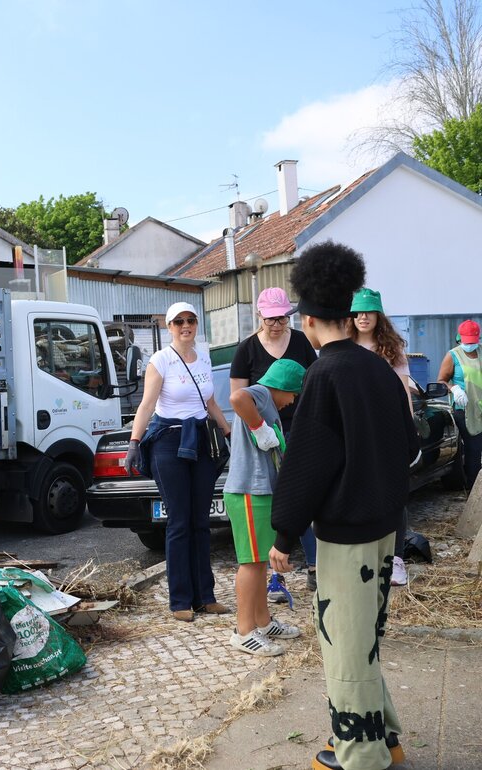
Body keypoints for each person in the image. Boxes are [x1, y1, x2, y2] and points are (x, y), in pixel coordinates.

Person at [268, 241, 418, 770]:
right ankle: (387, 738)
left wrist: (283, 535)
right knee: (365, 640)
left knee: (345, 646)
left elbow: (308, 465)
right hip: (384, 528)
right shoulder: (378, 368)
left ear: (308, 319)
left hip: (347, 535)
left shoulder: (324, 375)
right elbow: (413, 442)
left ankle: (361, 756)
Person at [125, 301, 232, 622]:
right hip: (169, 443)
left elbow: (210, 400)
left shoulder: (203, 358)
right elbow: (146, 405)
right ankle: (180, 600)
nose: (186, 326)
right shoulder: (161, 360)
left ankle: (206, 597)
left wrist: (228, 432)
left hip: (200, 440)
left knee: (201, 522)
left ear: (196, 324)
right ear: (169, 327)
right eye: (178, 321)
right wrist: (134, 441)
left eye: (191, 320)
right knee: (180, 522)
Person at [230, 287, 319, 597]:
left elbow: (312, 387)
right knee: (274, 506)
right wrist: (258, 428)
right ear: (260, 317)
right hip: (265, 438)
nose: (278, 324)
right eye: (271, 319)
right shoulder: (247, 351)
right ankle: (276, 578)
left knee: (301, 499)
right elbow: (238, 398)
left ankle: (314, 565)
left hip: (296, 428)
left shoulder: (302, 343)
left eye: (282, 317)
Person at [225, 358, 305, 656]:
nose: (293, 401)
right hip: (248, 490)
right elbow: (236, 397)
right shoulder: (261, 393)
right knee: (251, 563)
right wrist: (259, 427)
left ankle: (263, 621)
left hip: (261, 491)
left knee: (260, 562)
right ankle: (244, 631)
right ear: (282, 386)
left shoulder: (270, 403)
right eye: (293, 394)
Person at [350, 288, 414, 587]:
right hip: (355, 431)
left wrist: (409, 428)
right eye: (358, 312)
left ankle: (396, 557)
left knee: (394, 493)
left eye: (368, 311)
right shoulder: (343, 346)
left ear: (378, 315)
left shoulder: (391, 349)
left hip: (387, 429)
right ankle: (364, 557)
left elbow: (404, 391)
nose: (363, 317)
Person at [438, 319, 482, 490]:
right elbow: (441, 380)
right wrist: (454, 388)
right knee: (474, 449)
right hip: (464, 409)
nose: (470, 345)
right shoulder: (453, 355)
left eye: (473, 341)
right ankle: (473, 492)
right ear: (460, 337)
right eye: (467, 341)